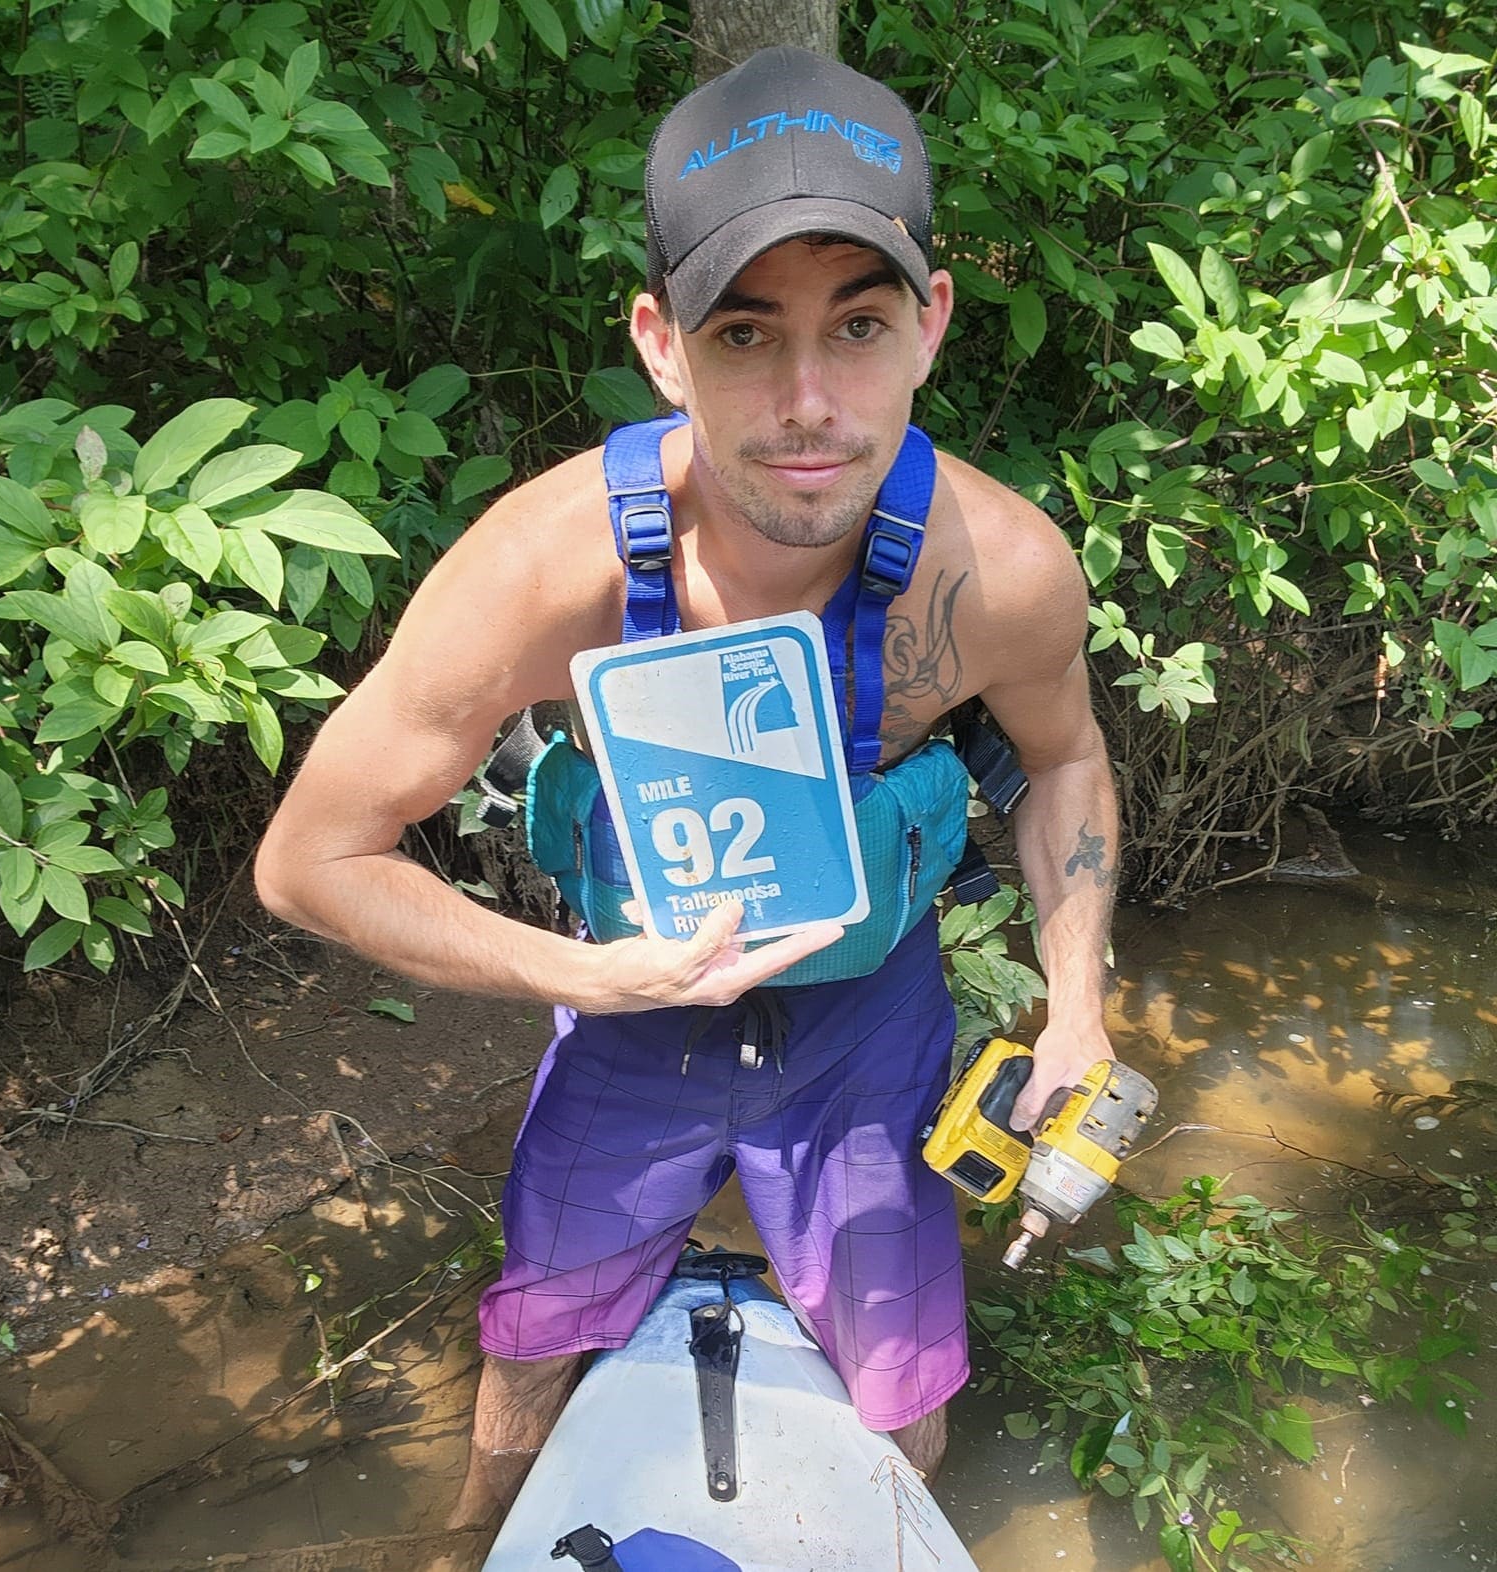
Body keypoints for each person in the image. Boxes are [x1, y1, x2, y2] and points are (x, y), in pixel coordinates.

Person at [254, 45, 1117, 1536]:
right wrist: (593, 973)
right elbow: (312, 858)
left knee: (904, 1383)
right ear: (662, 344)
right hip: (630, 1012)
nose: (805, 401)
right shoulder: (544, 572)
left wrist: (1083, 1004)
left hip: (868, 1023)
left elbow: (1066, 760)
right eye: (741, 334)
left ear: (931, 326)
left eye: (858, 325)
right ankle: (472, 1537)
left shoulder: (1004, 574)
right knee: (540, 1324)